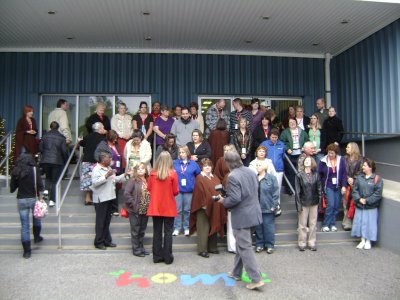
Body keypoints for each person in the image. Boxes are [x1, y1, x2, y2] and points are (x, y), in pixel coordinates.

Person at [218, 151, 264, 290]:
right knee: (242, 244)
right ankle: (236, 272)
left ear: (227, 163)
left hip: (242, 215)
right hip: (254, 212)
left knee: (244, 246)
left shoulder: (232, 176)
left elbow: (235, 198)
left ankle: (256, 278)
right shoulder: (251, 171)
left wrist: (223, 201)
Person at [91, 152, 130, 250]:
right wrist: (105, 176)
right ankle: (98, 242)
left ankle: (107, 241)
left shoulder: (108, 168)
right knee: (100, 222)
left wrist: (124, 175)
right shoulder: (96, 169)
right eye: (109, 158)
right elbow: (95, 183)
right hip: (101, 199)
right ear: (103, 160)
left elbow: (115, 179)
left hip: (109, 197)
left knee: (107, 221)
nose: (111, 160)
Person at [147, 151, 179, 264]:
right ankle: (167, 257)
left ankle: (157, 256)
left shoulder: (152, 174)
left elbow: (149, 189)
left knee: (157, 232)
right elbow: (176, 191)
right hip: (169, 206)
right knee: (168, 232)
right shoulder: (173, 174)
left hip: (156, 206)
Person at [190, 158, 226, 258]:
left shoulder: (215, 177)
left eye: (209, 165)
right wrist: (205, 203)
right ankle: (202, 249)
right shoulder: (199, 178)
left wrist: (220, 196)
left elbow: (219, 190)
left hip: (215, 206)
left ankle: (212, 247)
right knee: (203, 228)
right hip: (203, 207)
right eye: (205, 166)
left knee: (214, 224)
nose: (207, 167)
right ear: (202, 167)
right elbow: (199, 193)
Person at [10, 153, 44, 258]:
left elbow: (12, 188)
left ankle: (27, 251)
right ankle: (37, 237)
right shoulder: (35, 169)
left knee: (25, 226)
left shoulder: (16, 170)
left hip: (21, 199)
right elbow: (39, 185)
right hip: (33, 198)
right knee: (37, 218)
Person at [351, 158, 383, 250]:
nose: (363, 167)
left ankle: (368, 240)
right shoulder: (359, 178)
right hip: (360, 205)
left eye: (365, 165)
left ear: (370, 167)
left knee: (370, 223)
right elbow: (355, 190)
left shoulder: (377, 179)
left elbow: (377, 194)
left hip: (371, 206)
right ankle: (362, 239)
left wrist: (367, 200)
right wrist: (359, 199)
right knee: (360, 222)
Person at [173, 146, 201, 236]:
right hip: (178, 190)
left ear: (187, 153)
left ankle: (186, 228)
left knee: (187, 210)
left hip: (189, 190)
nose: (181, 154)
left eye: (183, 152)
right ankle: (177, 228)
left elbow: (198, 176)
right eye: (180, 152)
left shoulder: (193, 164)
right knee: (178, 210)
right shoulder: (175, 163)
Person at [319, 143, 347, 232]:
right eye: (329, 153)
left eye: (332, 153)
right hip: (328, 185)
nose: (330, 155)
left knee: (336, 205)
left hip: (338, 186)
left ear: (336, 153)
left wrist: (344, 186)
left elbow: (343, 174)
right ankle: (326, 224)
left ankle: (333, 224)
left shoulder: (340, 160)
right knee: (330, 205)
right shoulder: (323, 160)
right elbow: (319, 174)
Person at [124, 163, 150, 257]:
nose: (140, 170)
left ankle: (141, 247)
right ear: (135, 170)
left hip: (145, 208)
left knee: (142, 230)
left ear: (146, 170)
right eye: (138, 169)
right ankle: (136, 249)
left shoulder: (147, 180)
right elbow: (127, 194)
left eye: (142, 168)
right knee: (135, 230)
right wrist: (134, 204)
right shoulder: (133, 180)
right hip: (135, 209)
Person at [39, 121, 68, 207]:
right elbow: (64, 151)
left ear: (50, 127)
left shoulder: (45, 136)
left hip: (46, 160)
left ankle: (46, 193)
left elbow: (40, 148)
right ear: (58, 128)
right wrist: (65, 159)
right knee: (55, 181)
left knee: (48, 177)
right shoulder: (61, 137)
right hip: (57, 161)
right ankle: (52, 200)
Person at [214, 144, 237, 253]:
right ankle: (230, 244)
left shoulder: (236, 161)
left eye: (229, 150)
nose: (226, 151)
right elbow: (217, 175)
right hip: (224, 189)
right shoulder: (220, 161)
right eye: (225, 150)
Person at [94, 130, 123, 216]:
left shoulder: (116, 145)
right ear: (110, 138)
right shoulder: (102, 145)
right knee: (109, 189)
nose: (115, 140)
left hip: (117, 169)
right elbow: (96, 155)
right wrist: (106, 161)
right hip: (107, 170)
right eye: (114, 139)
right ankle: (110, 209)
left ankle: (114, 208)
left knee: (116, 189)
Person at [295, 156, 321, 251]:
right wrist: (298, 205)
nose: (306, 162)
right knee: (302, 224)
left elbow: (319, 189)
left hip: (314, 202)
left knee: (313, 223)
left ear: (312, 162)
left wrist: (320, 202)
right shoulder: (299, 175)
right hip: (303, 201)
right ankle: (302, 242)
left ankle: (312, 242)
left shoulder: (316, 175)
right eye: (305, 160)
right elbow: (297, 191)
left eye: (309, 160)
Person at [254, 161, 279, 254]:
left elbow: (276, 193)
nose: (257, 166)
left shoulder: (271, 178)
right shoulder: (254, 178)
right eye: (256, 165)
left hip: (268, 207)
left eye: (259, 165)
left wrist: (274, 205)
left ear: (265, 167)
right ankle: (259, 244)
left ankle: (269, 245)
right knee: (258, 228)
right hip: (256, 207)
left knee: (269, 227)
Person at [79, 122, 106, 205]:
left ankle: (88, 198)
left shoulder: (88, 136)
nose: (104, 129)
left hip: (87, 160)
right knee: (98, 179)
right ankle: (97, 198)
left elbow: (81, 143)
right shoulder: (102, 138)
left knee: (87, 179)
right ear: (99, 129)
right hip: (97, 161)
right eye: (103, 128)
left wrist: (79, 140)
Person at [280, 118, 309, 194]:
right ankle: (290, 189)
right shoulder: (285, 132)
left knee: (301, 171)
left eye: (293, 122)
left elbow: (307, 140)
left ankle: (301, 189)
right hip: (290, 155)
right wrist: (287, 148)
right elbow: (281, 142)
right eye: (290, 122)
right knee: (290, 172)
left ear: (296, 123)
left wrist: (304, 147)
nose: (292, 123)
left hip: (300, 154)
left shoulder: (302, 132)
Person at [342, 142, 363, 231]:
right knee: (345, 203)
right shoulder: (344, 159)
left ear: (353, 148)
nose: (346, 149)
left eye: (348, 147)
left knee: (353, 204)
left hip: (356, 185)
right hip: (346, 184)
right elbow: (342, 171)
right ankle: (347, 223)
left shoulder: (361, 159)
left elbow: (361, 171)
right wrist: (347, 178)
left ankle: (355, 223)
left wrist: (353, 179)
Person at [262, 128, 285, 206]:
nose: (274, 139)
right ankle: (268, 204)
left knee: (277, 188)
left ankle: (277, 205)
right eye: (272, 137)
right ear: (269, 137)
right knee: (268, 188)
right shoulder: (264, 144)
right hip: (267, 170)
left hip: (279, 170)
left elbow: (283, 156)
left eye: (275, 137)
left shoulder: (281, 144)